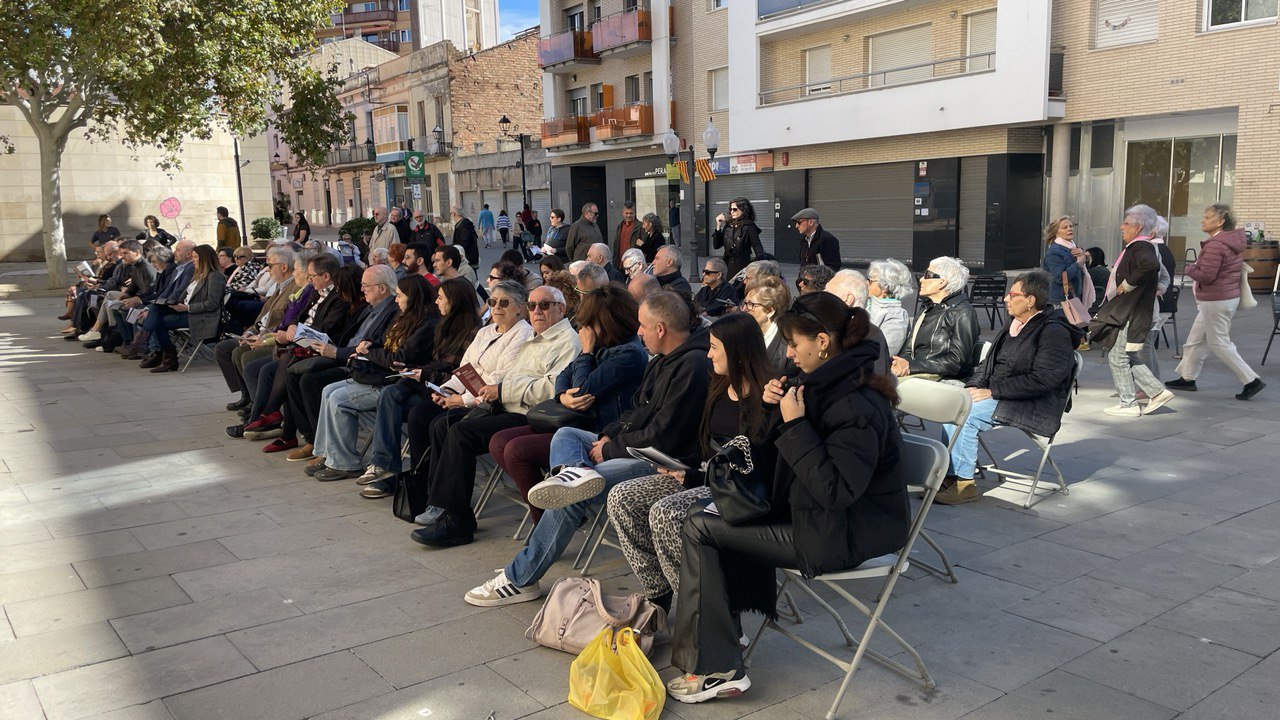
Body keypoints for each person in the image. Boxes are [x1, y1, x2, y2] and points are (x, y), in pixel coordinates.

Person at [666, 292, 907, 704]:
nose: (789, 354)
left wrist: (795, 426)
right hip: (808, 516)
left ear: (823, 342)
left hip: (840, 534)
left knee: (700, 527)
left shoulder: (856, 403)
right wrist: (772, 411)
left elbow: (835, 491)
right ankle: (720, 645)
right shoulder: (819, 385)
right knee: (704, 515)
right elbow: (772, 460)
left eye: (794, 344)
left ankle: (718, 666)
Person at [463, 291, 710, 607]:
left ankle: (519, 577)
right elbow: (632, 411)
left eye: (644, 326)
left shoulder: (688, 365)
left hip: (659, 460)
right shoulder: (664, 360)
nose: (639, 332)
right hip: (628, 443)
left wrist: (609, 449)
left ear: (660, 329)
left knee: (573, 492)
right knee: (566, 436)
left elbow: (663, 436)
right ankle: (572, 474)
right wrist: (607, 436)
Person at [607, 312, 776, 611]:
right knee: (622, 497)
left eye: (714, 347)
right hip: (702, 476)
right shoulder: (719, 387)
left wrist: (696, 478)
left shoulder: (767, 396)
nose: (708, 353)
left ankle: (704, 612)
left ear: (736, 352)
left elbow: (757, 467)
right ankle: (658, 594)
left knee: (666, 512)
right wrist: (679, 465)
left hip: (739, 491)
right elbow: (705, 448)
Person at [410, 285, 580, 547]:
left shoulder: (566, 341)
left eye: (544, 305)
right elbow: (488, 371)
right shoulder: (538, 336)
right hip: (506, 404)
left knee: (460, 432)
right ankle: (446, 507)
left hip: (532, 414)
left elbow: (551, 388)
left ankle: (457, 522)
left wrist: (499, 390)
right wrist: (459, 391)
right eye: (533, 306)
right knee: (444, 423)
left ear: (562, 309)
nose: (536, 311)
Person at [482, 285, 648, 524]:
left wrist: (587, 351)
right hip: (569, 418)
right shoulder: (605, 344)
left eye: (589, 322)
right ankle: (558, 506)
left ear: (604, 321)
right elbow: (564, 376)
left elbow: (583, 389)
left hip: (596, 430)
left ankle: (553, 517)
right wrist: (562, 396)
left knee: (517, 450)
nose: (584, 328)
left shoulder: (627, 354)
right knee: (498, 442)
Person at [938, 271, 1083, 504]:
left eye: (1012, 294)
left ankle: (963, 485)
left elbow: (1044, 380)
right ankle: (949, 475)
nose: (1006, 298)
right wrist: (973, 387)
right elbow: (988, 365)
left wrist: (993, 391)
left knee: (965, 416)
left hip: (1033, 402)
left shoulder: (1054, 331)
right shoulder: (1014, 324)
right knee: (952, 406)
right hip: (1002, 393)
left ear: (1030, 300)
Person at [399, 281, 535, 517]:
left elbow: (498, 378)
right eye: (493, 302)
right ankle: (425, 490)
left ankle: (445, 504)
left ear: (520, 308)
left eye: (505, 303)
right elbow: (464, 370)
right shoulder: (485, 331)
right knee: (421, 413)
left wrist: (461, 400)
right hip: (468, 396)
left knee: (445, 424)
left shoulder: (522, 334)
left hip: (492, 403)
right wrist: (446, 391)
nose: (497, 307)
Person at [356, 278, 483, 498]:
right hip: (430, 383)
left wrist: (423, 373)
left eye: (441, 298)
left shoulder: (472, 332)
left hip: (449, 391)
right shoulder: (444, 325)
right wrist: (416, 370)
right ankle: (389, 468)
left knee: (414, 411)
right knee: (392, 393)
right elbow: (436, 363)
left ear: (455, 301)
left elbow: (463, 373)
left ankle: (410, 474)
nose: (436, 302)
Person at [309, 274, 440, 478]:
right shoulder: (404, 317)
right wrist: (369, 345)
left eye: (399, 296)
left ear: (412, 297)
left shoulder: (427, 324)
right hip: (380, 374)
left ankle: (345, 462)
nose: (396, 300)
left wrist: (369, 353)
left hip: (391, 381)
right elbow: (384, 344)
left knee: (337, 399)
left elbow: (400, 358)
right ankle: (327, 454)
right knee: (328, 390)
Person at [272, 264, 403, 457]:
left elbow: (372, 349)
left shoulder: (391, 312)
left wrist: (336, 352)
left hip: (359, 364)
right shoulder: (371, 307)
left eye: (366, 286)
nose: (362, 289)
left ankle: (327, 450)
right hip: (346, 355)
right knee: (292, 373)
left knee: (312, 381)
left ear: (382, 288)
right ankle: (312, 440)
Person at [1166, 203, 1266, 401]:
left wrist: (1188, 268)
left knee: (1219, 343)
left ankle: (1251, 380)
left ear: (1220, 222)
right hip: (1221, 298)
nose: (1203, 220)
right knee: (1195, 341)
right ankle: (1187, 378)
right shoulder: (1227, 241)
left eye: (1208, 217)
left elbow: (1206, 275)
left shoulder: (1216, 244)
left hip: (1216, 299)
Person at [1090, 204, 1175, 417]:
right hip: (1132, 309)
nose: (1122, 227)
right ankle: (1156, 392)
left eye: (1126, 223)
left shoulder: (1141, 247)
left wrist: (1128, 284)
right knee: (1125, 355)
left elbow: (1151, 266)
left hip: (1131, 310)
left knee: (1118, 357)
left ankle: (1129, 403)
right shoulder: (1141, 246)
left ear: (1138, 228)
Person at [216, 246, 297, 411]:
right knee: (223, 348)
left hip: (273, 340)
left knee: (243, 354)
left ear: (283, 267)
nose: (268, 269)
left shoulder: (293, 288)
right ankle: (247, 394)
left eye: (271, 265)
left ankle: (259, 405)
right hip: (260, 334)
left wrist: (263, 339)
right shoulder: (279, 286)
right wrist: (249, 332)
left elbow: (284, 324)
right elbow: (262, 317)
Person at [891, 256, 979, 382]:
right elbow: (908, 349)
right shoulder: (927, 308)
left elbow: (956, 362)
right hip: (920, 375)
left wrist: (911, 366)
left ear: (942, 282)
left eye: (927, 275)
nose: (921, 279)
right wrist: (900, 364)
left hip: (945, 380)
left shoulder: (963, 313)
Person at [141, 244, 226, 373]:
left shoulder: (215, 276)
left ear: (205, 258)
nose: (193, 260)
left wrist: (187, 308)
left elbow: (212, 304)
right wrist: (172, 304)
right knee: (155, 308)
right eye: (193, 257)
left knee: (158, 323)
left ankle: (166, 356)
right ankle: (146, 343)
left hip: (201, 317)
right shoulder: (199, 274)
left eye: (196, 257)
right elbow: (185, 296)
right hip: (187, 311)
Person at [740, 275, 792, 372]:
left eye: (751, 304)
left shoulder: (788, 346)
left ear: (770, 311)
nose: (744, 309)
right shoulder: (741, 332)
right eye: (745, 303)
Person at [865, 260, 914, 356]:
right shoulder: (869, 305)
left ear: (885, 287)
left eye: (870, 281)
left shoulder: (896, 316)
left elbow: (886, 351)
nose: (866, 283)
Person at [712, 197, 764, 278]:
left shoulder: (749, 226)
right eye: (731, 209)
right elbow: (716, 245)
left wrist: (761, 266)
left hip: (742, 266)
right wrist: (718, 226)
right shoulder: (728, 225)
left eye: (735, 209)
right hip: (727, 265)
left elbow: (757, 247)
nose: (732, 212)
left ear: (743, 210)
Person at [1042, 215, 1086, 303]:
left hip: (1074, 297)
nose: (1069, 229)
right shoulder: (1054, 252)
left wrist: (1083, 256)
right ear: (1056, 233)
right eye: (1064, 228)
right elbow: (1060, 277)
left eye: (1071, 226)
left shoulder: (1073, 247)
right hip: (1059, 301)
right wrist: (1078, 264)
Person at [449, 205, 480, 270]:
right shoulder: (465, 224)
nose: (450, 215)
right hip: (471, 258)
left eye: (450, 213)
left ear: (454, 214)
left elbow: (461, 245)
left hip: (467, 260)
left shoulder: (463, 227)